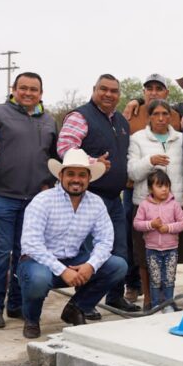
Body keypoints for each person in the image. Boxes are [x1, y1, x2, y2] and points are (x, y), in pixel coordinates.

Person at [0, 72, 58, 329]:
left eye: (34, 89)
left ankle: (16, 304)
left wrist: (49, 184)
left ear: (41, 93)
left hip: (35, 200)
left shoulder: (50, 121)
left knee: (25, 253)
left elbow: (54, 158)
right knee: (1, 252)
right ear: (14, 89)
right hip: (2, 195)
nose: (29, 93)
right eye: (24, 88)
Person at [17, 149, 128, 339]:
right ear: (60, 175)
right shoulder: (43, 200)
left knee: (118, 266)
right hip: (39, 262)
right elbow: (31, 243)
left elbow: (105, 240)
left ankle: (76, 308)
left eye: (81, 175)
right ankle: (32, 319)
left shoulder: (96, 203)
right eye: (70, 174)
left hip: (75, 259)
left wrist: (90, 265)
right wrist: (62, 270)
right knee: (38, 280)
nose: (76, 179)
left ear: (89, 178)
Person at [57, 74, 139, 314]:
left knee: (119, 253)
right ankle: (85, 303)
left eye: (114, 91)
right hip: (89, 198)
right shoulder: (80, 116)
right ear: (94, 90)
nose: (109, 94)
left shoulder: (122, 122)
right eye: (103, 89)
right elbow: (65, 149)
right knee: (92, 254)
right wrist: (92, 163)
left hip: (115, 198)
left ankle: (114, 297)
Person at [128, 99, 183, 308]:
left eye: (165, 113)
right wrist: (150, 161)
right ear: (149, 116)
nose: (161, 118)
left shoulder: (180, 138)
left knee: (170, 255)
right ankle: (149, 299)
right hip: (146, 204)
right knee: (146, 257)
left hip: (174, 204)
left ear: (171, 116)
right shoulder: (137, 139)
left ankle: (167, 300)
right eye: (156, 114)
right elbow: (132, 172)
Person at [133, 170, 183, 310]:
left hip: (171, 250)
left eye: (166, 186)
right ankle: (156, 305)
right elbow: (137, 223)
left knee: (169, 278)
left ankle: (168, 304)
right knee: (155, 279)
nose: (164, 189)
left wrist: (168, 228)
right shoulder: (144, 205)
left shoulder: (174, 204)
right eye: (160, 186)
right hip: (152, 250)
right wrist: (151, 224)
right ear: (151, 188)